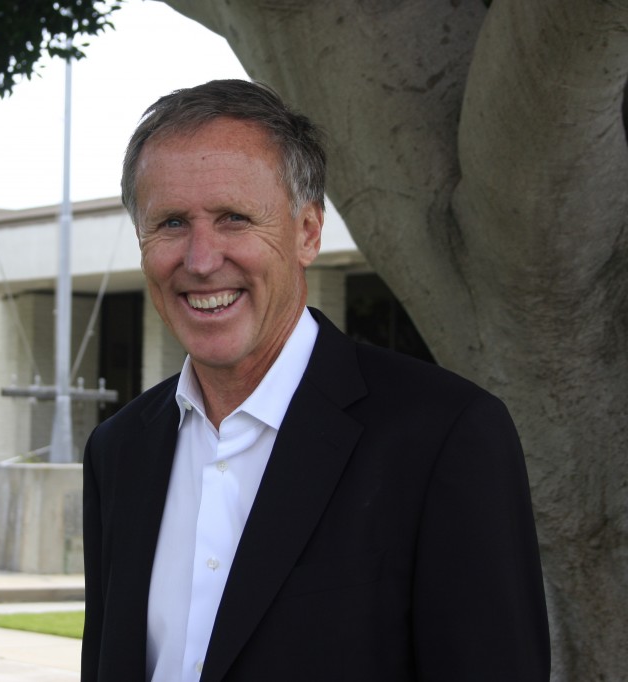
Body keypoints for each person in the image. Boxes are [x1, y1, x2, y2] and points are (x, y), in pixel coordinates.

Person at [81, 79, 549, 681]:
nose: (200, 259)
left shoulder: (444, 439)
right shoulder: (118, 452)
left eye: (234, 218)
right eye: (171, 222)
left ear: (307, 232)